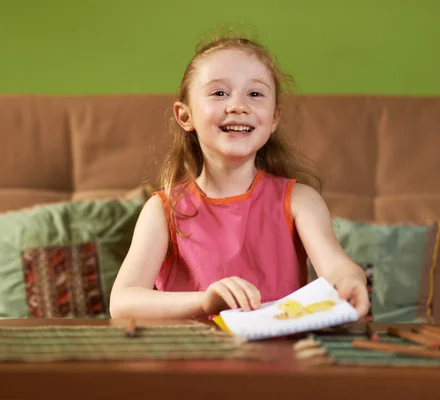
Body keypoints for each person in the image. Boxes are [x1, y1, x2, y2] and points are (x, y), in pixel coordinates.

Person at [109, 33, 369, 320]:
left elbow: (337, 267)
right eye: (219, 93)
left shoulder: (300, 201)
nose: (238, 106)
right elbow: (122, 302)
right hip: (189, 359)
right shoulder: (162, 210)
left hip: (277, 361)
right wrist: (206, 301)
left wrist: (350, 280)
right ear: (185, 116)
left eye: (255, 94)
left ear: (274, 119)